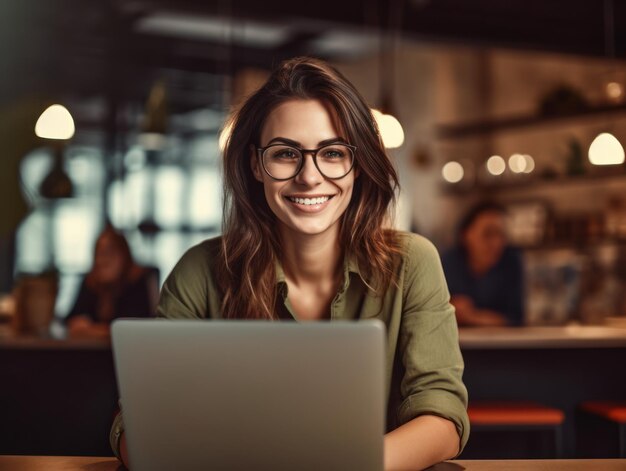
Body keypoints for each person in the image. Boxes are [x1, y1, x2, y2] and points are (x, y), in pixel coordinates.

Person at [110, 57, 469, 470]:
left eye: (332, 153)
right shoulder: (199, 271)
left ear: (358, 165)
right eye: (285, 154)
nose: (309, 176)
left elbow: (442, 417)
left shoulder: (412, 263)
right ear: (254, 165)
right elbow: (135, 424)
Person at [442, 201, 525, 327]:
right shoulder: (447, 262)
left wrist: (471, 315)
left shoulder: (511, 262)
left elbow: (516, 320)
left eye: (502, 235)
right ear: (465, 235)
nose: (497, 243)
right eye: (488, 234)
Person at [65, 225, 157, 338]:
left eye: (109, 253)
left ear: (124, 256)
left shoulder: (137, 282)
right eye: (98, 254)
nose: (101, 261)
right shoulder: (91, 282)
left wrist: (91, 329)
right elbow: (72, 322)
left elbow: (133, 330)